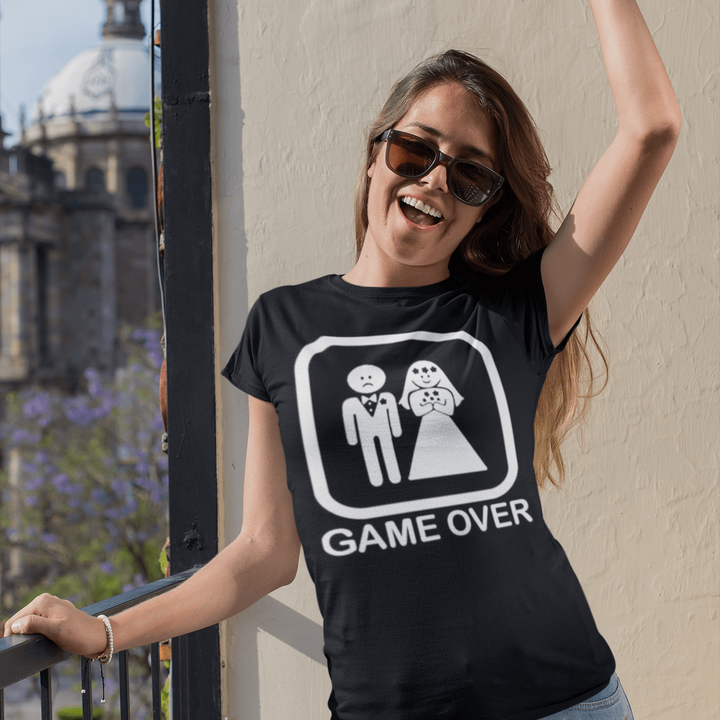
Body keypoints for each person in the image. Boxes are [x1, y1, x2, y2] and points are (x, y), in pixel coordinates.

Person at [4, 1, 680, 718]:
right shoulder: (282, 325)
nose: (435, 181)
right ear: (374, 154)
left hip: (565, 703)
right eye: (415, 151)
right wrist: (107, 631)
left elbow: (652, 130)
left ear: (486, 206)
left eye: (471, 176)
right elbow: (264, 552)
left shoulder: (515, 312)